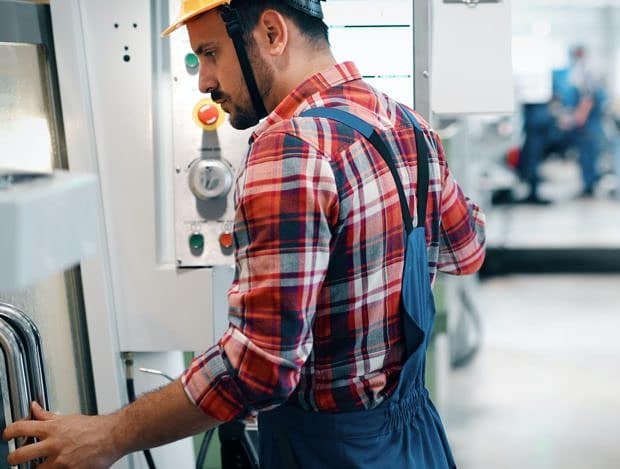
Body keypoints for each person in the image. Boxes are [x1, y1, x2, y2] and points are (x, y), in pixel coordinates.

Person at [3, 0, 486, 467]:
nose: (203, 81)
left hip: (330, 452)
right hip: (415, 441)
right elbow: (467, 250)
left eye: (210, 53)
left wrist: (109, 435)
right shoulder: (409, 125)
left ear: (272, 33)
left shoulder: (290, 148)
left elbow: (259, 368)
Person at [568, 45, 605, 198]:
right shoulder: (582, 69)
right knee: (586, 153)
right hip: (589, 120)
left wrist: (579, 118)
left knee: (588, 154)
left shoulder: (586, 70)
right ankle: (588, 184)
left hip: (588, 121)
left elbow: (587, 98)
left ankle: (589, 186)